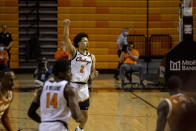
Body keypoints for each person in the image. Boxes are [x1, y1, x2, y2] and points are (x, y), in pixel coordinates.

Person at [28, 59, 84, 131]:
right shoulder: (69, 90)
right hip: (59, 127)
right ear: (61, 74)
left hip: (43, 127)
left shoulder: (42, 89)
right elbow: (76, 116)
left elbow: (31, 113)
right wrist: (82, 118)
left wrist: (45, 122)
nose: (71, 74)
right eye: (69, 72)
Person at [63, 19, 98, 131]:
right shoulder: (74, 52)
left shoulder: (92, 57)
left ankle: (79, 129)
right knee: (65, 113)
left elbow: (92, 72)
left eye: (87, 41)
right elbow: (66, 38)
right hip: (72, 86)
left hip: (84, 88)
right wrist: (66, 25)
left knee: (85, 116)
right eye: (83, 41)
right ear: (78, 43)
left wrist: (93, 75)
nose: (86, 43)